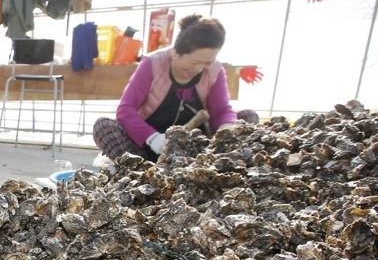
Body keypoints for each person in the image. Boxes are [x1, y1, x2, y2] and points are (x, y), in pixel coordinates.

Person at [92, 14, 258, 163]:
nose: (200, 68)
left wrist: (226, 128)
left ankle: (213, 169)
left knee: (248, 117)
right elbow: (125, 110)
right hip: (148, 149)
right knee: (103, 127)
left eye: (207, 62)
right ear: (176, 52)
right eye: (195, 62)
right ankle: (141, 173)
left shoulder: (215, 71)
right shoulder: (153, 64)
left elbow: (222, 111)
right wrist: (153, 139)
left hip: (197, 151)